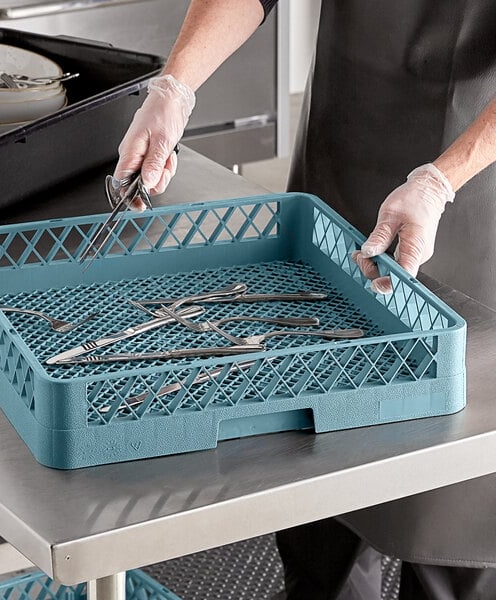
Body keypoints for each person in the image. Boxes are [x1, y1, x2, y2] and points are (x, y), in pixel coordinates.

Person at [113, 1, 496, 598]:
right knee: (316, 489)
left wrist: (439, 180)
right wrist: (176, 85)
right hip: (341, 166)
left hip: (474, 198)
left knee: (448, 517)